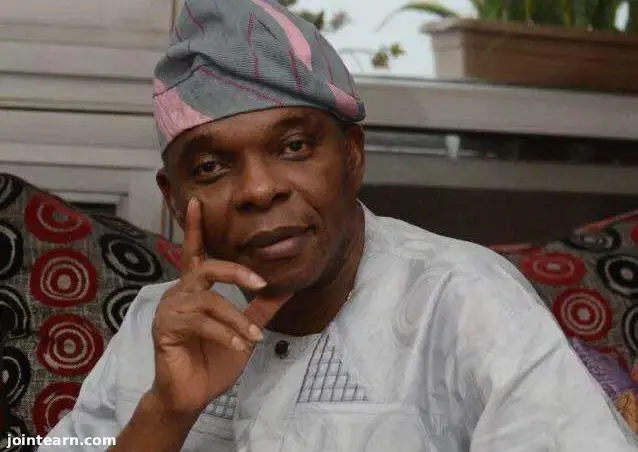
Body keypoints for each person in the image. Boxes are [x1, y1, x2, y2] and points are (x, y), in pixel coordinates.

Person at [41, 0, 638, 450]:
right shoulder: (155, 324)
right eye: (211, 167)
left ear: (352, 155)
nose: (258, 189)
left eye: (294, 146)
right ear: (175, 199)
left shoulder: (462, 303)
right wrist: (165, 412)